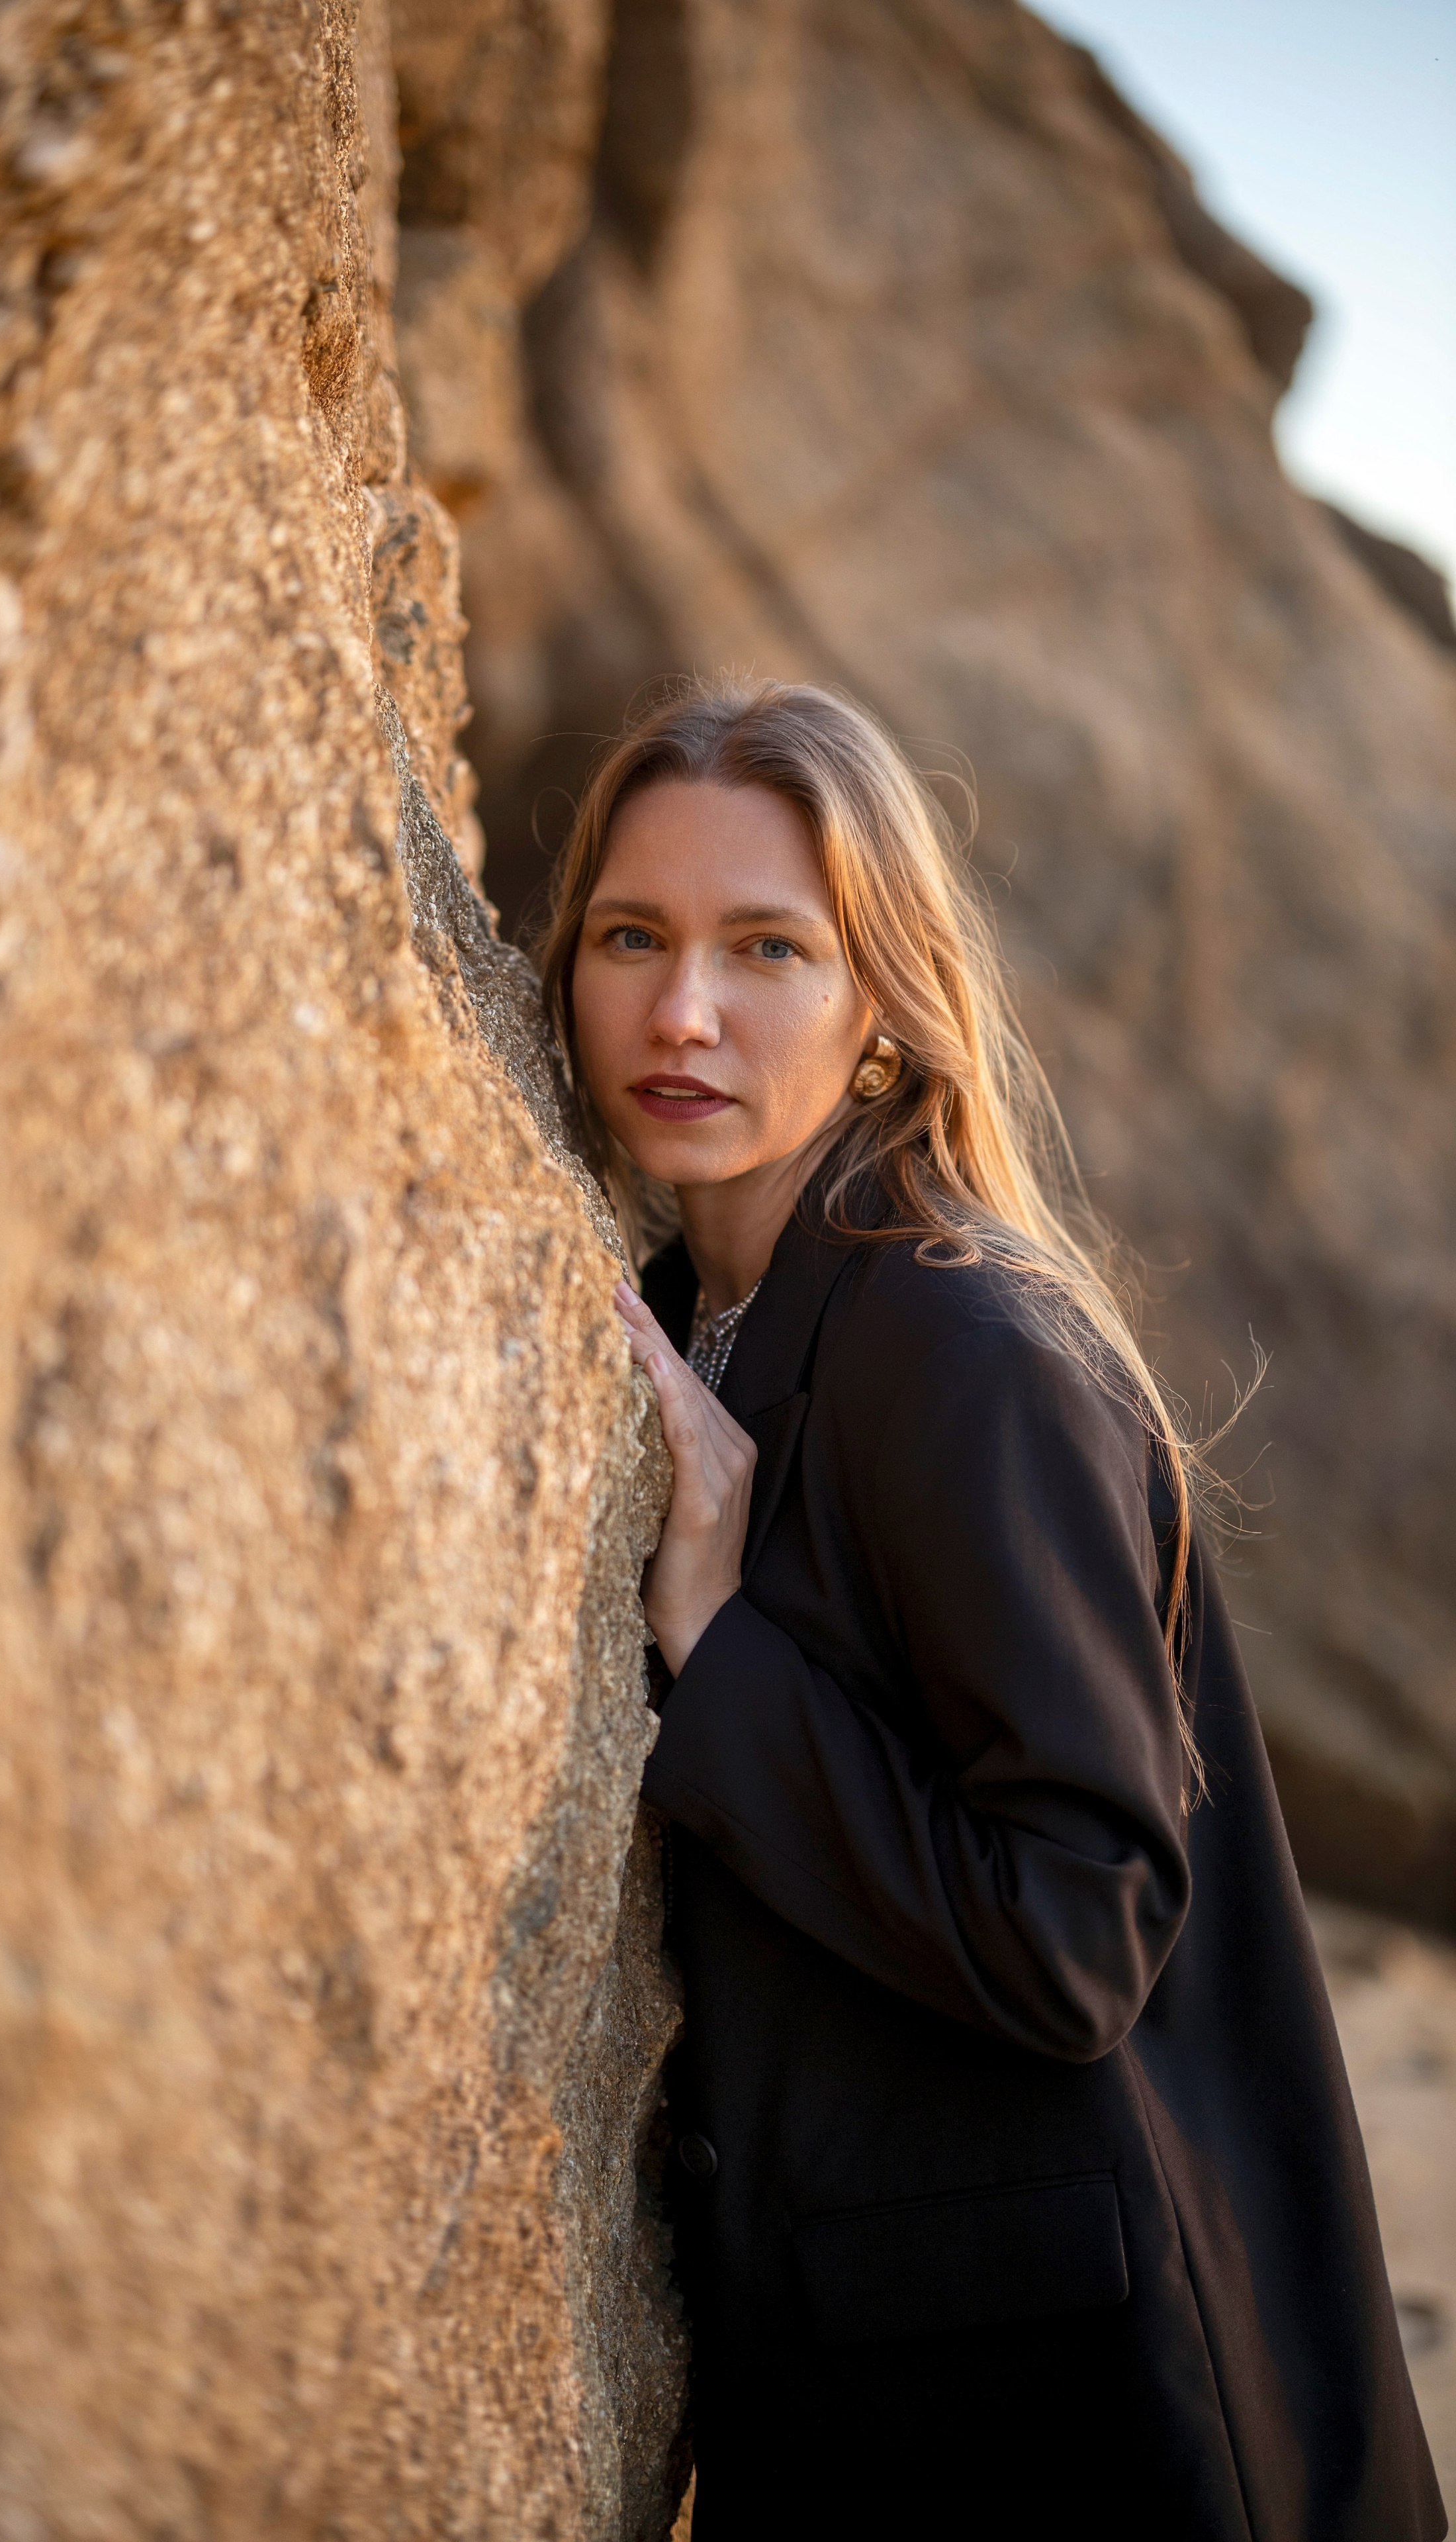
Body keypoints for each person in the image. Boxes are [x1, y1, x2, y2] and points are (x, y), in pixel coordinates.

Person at [539, 677, 1444, 2541]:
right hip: (871, 2365)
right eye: (633, 935)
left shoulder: (962, 1342)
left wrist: (728, 1654)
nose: (682, 1010)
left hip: (1072, 2418)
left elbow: (1078, 1929)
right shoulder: (697, 1299)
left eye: (767, 947)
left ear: (882, 1010)